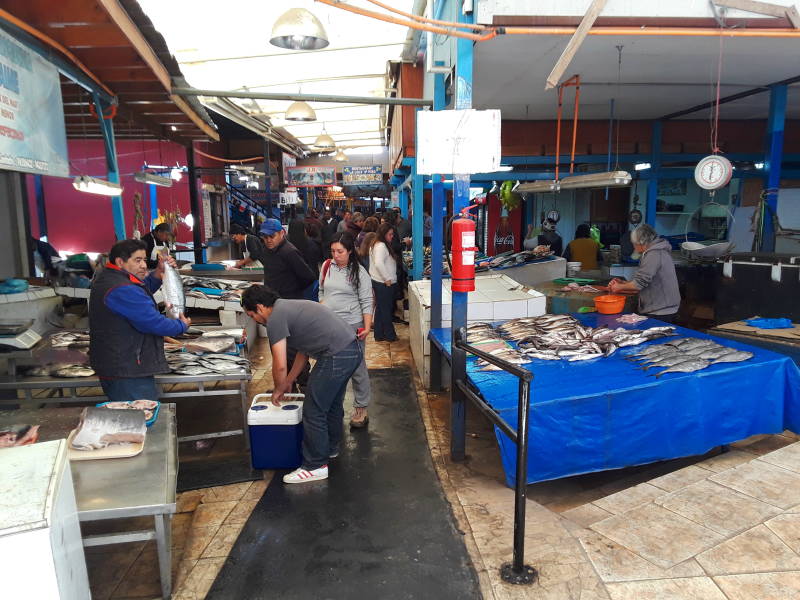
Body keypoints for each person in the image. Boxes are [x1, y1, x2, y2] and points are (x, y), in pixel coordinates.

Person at [242, 285, 362, 483]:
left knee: (313, 409)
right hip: (351, 350)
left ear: (260, 308)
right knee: (330, 405)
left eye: (251, 315)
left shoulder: (275, 320)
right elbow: (303, 351)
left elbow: (279, 364)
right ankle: (330, 449)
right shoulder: (289, 307)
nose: (254, 319)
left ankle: (315, 465)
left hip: (337, 355)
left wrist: (279, 388)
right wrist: (289, 381)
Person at [89, 239, 190, 402]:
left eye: (144, 260)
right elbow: (153, 322)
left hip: (119, 364)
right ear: (120, 262)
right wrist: (181, 325)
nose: (143, 265)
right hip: (126, 369)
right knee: (139, 418)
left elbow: (141, 288)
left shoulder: (112, 278)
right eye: (137, 260)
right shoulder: (122, 289)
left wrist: (159, 272)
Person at [320, 232, 373, 428]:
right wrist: (322, 306)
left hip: (353, 325)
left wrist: (367, 327)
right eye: (333, 251)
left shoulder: (359, 272)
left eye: (340, 251)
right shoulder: (326, 267)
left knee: (356, 367)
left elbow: (367, 300)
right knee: (332, 365)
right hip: (330, 324)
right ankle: (335, 406)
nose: (336, 255)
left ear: (350, 251)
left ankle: (361, 407)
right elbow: (321, 291)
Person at [608, 224, 680, 322]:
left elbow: (639, 284)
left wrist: (618, 287)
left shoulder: (654, 254)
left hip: (661, 311)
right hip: (664, 308)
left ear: (641, 243)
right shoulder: (658, 251)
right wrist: (624, 283)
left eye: (634, 244)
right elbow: (646, 281)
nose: (634, 247)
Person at [259, 218, 316, 299]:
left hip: (288, 300)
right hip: (272, 298)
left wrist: (291, 290)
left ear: (281, 233)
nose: (268, 240)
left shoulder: (289, 252)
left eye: (272, 236)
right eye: (265, 237)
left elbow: (308, 277)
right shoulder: (267, 249)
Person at [368, 223, 398, 342]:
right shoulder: (380, 246)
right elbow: (378, 263)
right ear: (383, 234)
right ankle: (390, 335)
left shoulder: (377, 244)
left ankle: (379, 334)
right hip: (383, 283)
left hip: (379, 281)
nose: (392, 237)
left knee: (380, 309)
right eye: (390, 234)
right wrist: (387, 279)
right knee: (386, 310)